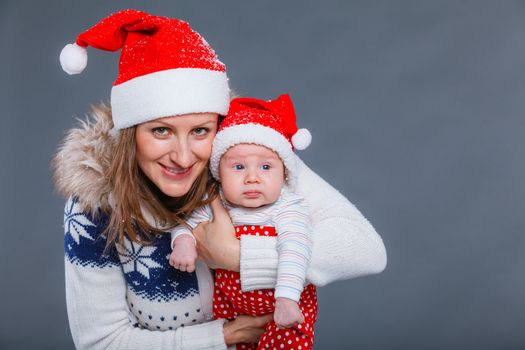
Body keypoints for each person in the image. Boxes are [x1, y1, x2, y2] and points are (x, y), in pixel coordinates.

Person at [54, 9, 387, 350]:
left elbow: (366, 250)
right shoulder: (94, 209)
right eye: (161, 131)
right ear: (131, 133)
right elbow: (101, 343)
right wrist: (225, 336)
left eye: (200, 131)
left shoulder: (246, 160)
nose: (183, 157)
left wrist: (234, 255)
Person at [170, 94, 317, 349]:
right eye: (238, 167)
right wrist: (183, 243)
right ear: (218, 173)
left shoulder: (287, 207)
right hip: (231, 309)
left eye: (266, 167)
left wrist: (286, 298)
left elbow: (295, 250)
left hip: (280, 311)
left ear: (284, 174)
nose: (252, 178)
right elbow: (186, 223)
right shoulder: (217, 201)